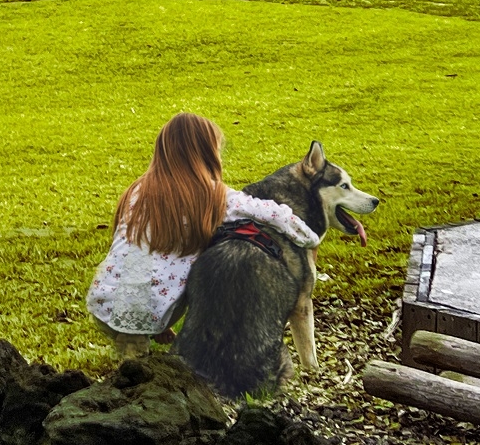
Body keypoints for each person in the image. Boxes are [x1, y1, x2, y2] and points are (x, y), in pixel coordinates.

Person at [87, 112, 319, 353]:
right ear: (205, 154)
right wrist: (310, 238)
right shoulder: (210, 194)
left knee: (151, 264)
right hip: (135, 316)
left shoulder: (139, 189)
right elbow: (272, 213)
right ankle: (136, 354)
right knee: (137, 363)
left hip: (103, 301)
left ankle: (148, 328)